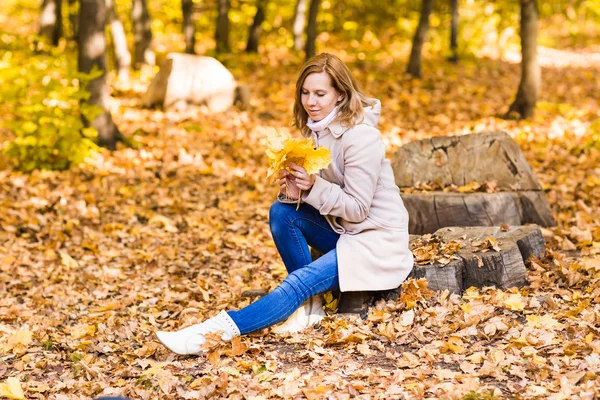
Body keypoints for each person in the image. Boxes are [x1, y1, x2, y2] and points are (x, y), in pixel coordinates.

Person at [156, 53, 414, 355]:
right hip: (345, 231)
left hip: (375, 242)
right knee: (282, 212)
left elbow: (357, 208)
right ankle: (310, 306)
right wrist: (297, 193)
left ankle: (211, 333)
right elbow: (322, 198)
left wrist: (314, 187)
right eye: (305, 92)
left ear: (340, 95)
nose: (311, 101)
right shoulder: (315, 130)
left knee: (298, 281)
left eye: (320, 93)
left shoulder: (361, 138)